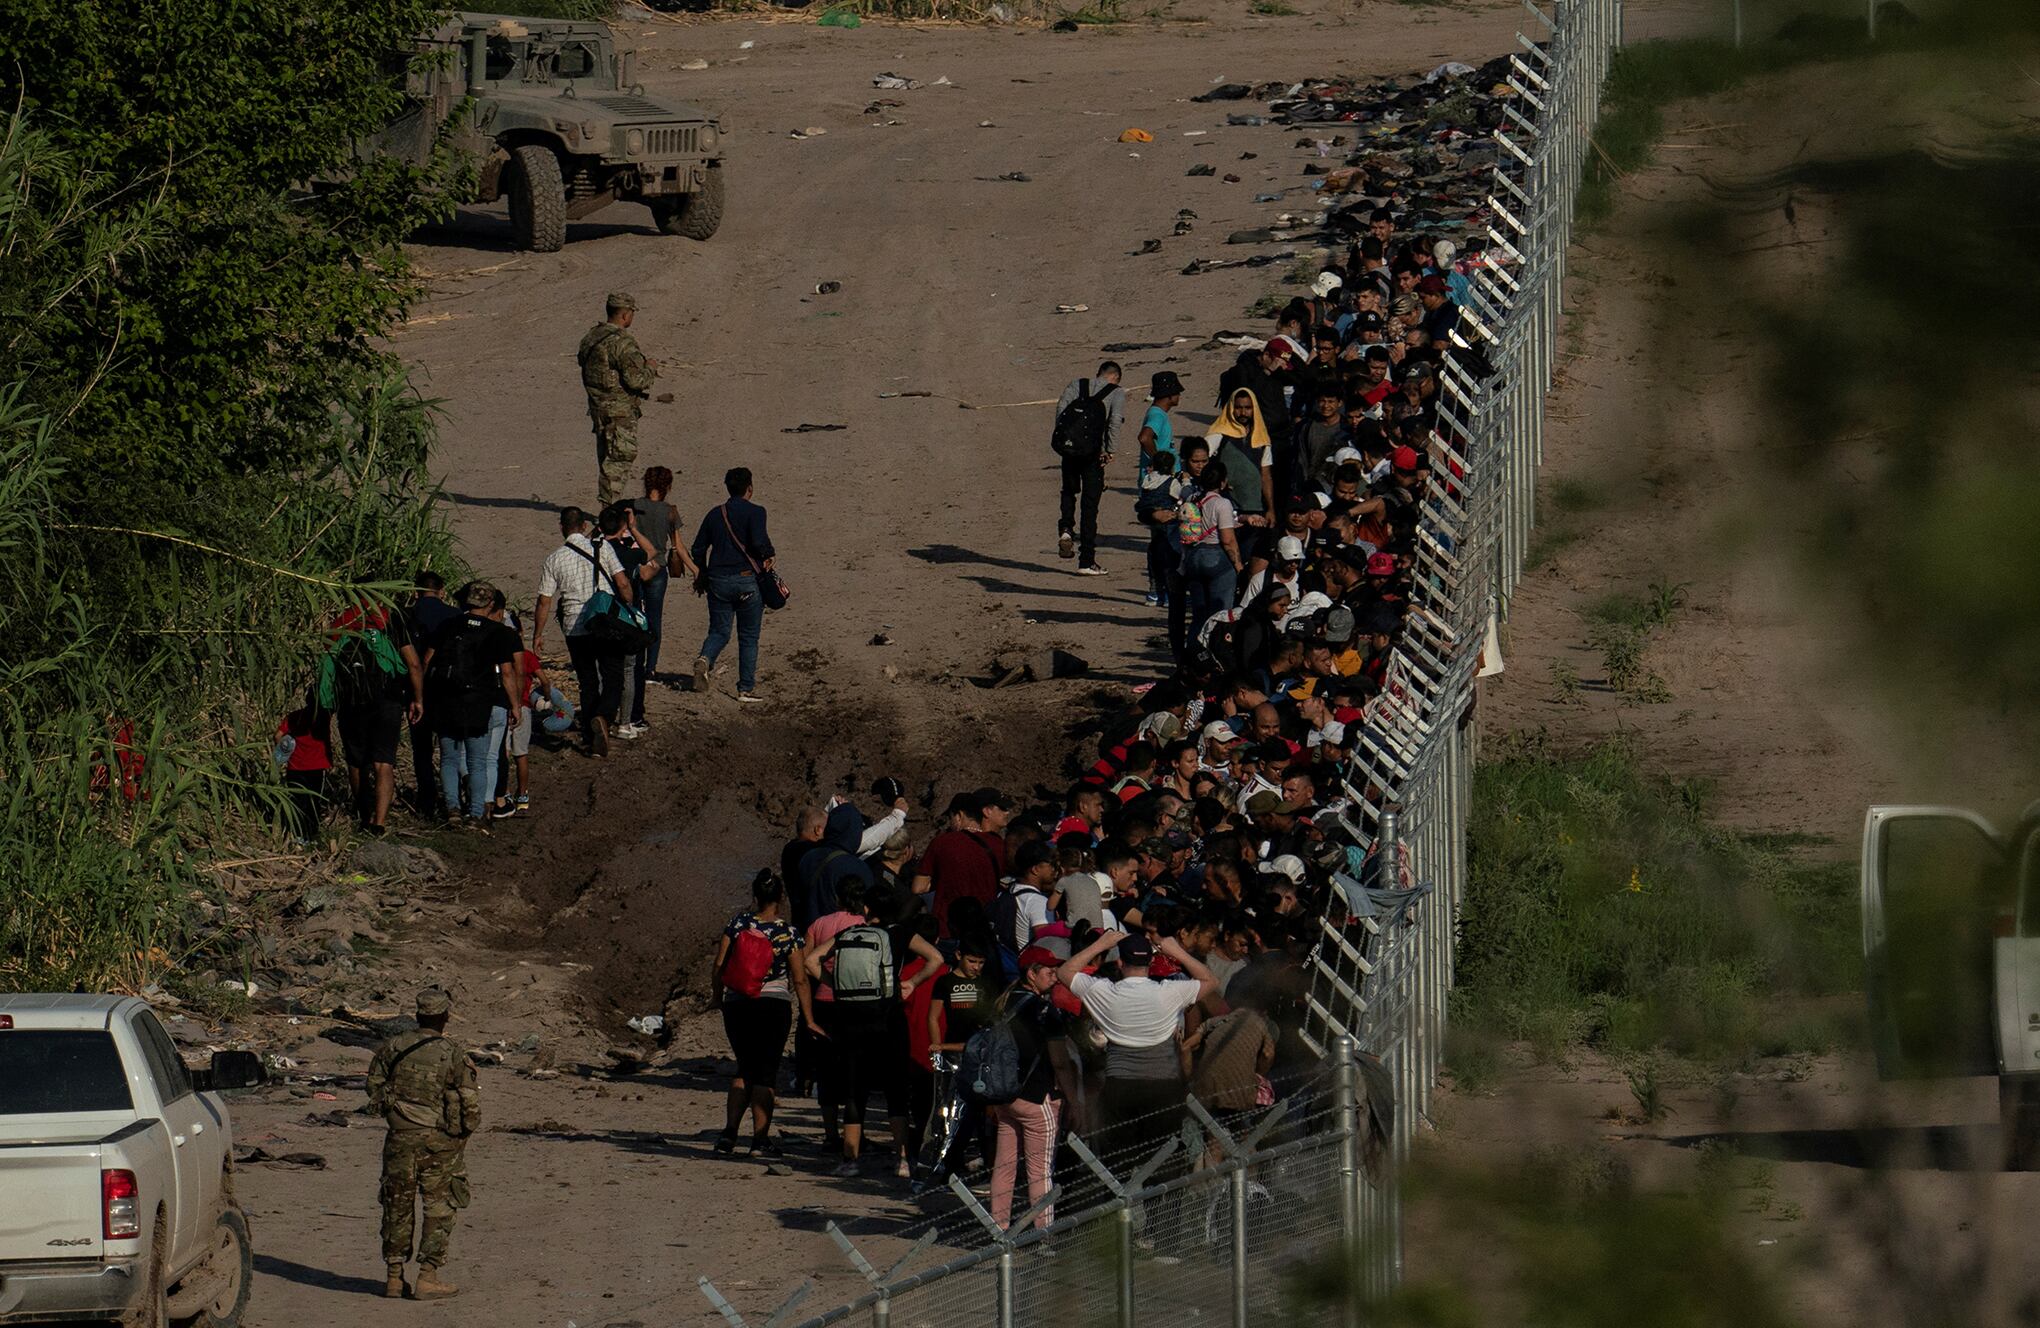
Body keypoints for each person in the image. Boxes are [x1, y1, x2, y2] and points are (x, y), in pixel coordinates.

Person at [1055, 930, 1217, 1147]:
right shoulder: (1169, 991)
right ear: (1150, 962)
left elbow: (1064, 971)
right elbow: (1211, 980)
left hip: (1120, 1086)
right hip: (1163, 1085)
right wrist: (1176, 950)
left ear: (1120, 962)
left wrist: (1101, 944)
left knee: (1121, 1156)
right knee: (1161, 1153)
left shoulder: (1103, 991)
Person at [367, 987, 479, 1301]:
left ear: (418, 1015)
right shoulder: (452, 1052)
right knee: (439, 1207)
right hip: (439, 1142)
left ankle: (393, 1277)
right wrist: (465, 1130)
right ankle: (427, 1277)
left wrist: (395, 1111)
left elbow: (373, 1086)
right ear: (445, 1017)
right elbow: (469, 1101)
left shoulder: (394, 1046)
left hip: (400, 1138)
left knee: (396, 1205)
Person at [714, 871, 806, 1156]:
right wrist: (810, 1016)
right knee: (766, 1071)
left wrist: (718, 998)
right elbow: (800, 978)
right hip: (773, 1005)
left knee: (744, 1067)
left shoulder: (737, 924)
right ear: (780, 898)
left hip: (737, 1004)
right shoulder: (788, 933)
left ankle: (729, 1134)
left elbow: (719, 965)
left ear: (755, 896)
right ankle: (759, 1140)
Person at [532, 506, 632, 756]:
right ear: (584, 526)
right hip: (605, 623)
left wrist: (538, 634)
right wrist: (629, 608)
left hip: (575, 627)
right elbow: (622, 582)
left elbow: (545, 601)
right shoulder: (603, 547)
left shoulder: (554, 559)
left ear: (562, 527)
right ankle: (604, 717)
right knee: (613, 676)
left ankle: (590, 735)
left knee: (587, 681)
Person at [987, 946, 1074, 1233]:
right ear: (1031, 974)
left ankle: (999, 1227)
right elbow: (1060, 1061)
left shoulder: (1001, 1003)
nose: (1055, 976)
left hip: (1004, 1094)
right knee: (1040, 1170)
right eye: (1048, 971)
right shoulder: (1045, 1010)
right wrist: (1074, 1100)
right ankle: (1044, 1232)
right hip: (1036, 1098)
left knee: (1004, 1165)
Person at [420, 582, 521, 826]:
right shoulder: (497, 632)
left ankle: (452, 808)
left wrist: (422, 695)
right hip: (478, 701)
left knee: (449, 758)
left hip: (446, 698)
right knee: (478, 760)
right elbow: (507, 673)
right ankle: (476, 813)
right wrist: (515, 705)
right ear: (491, 604)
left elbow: (427, 660)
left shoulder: (449, 625)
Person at [326, 602, 424, 836]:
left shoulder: (343, 620)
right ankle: (378, 822)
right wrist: (418, 698)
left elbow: (328, 663)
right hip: (387, 699)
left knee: (356, 761)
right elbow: (413, 663)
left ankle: (362, 814)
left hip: (351, 701)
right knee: (383, 762)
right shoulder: (389, 618)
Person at [689, 466, 774, 704]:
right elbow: (758, 542)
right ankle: (745, 688)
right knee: (748, 636)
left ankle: (705, 659)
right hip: (747, 580)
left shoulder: (715, 514)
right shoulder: (757, 512)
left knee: (719, 631)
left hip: (717, 581)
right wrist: (769, 553)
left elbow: (698, 548)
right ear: (750, 488)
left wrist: (702, 573)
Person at [628, 466, 699, 730]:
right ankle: (651, 670)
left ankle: (634, 662)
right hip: (658, 570)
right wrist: (695, 571)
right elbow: (677, 546)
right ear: (668, 485)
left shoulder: (633, 507)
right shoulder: (670, 511)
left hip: (635, 569)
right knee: (654, 619)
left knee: (634, 616)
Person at [578, 292, 658, 505]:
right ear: (625, 315)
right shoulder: (622, 343)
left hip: (598, 408)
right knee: (619, 459)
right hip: (619, 412)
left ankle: (608, 505)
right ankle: (609, 509)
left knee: (606, 457)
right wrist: (650, 368)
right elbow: (636, 380)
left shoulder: (591, 337)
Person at [1052, 361, 1126, 576]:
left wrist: (1066, 442)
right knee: (1090, 505)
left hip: (1070, 450)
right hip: (1093, 454)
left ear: (1098, 374)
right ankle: (1087, 560)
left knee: (1068, 490)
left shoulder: (1076, 384)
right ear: (1116, 377)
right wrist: (1110, 450)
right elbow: (1114, 422)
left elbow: (1061, 411)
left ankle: (1066, 528)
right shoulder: (1117, 392)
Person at [405, 572, 456, 819]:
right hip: (449, 688)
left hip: (418, 687)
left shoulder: (408, 615)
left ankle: (427, 799)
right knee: (451, 746)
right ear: (442, 591)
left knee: (422, 748)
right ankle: (454, 798)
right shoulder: (455, 616)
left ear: (416, 592)